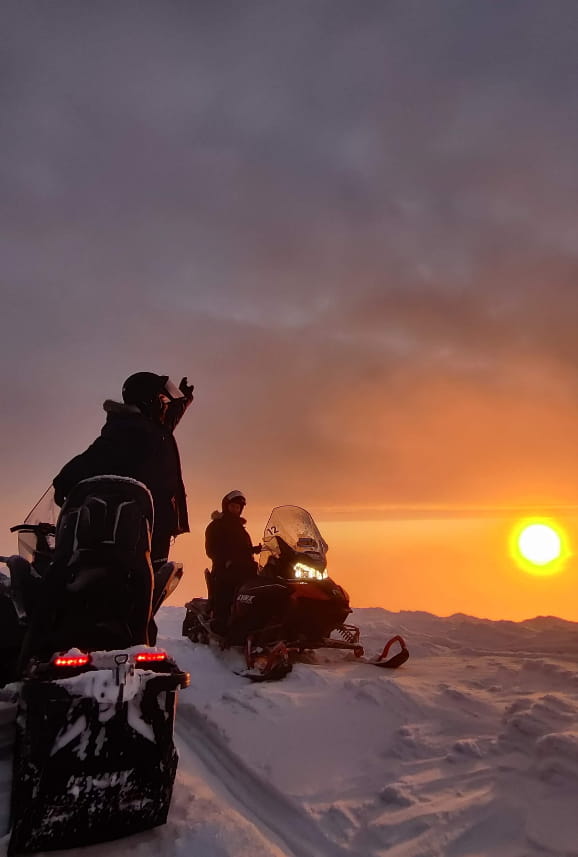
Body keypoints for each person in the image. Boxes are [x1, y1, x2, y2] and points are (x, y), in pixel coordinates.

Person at [53, 372, 194, 571]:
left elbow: (166, 424)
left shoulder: (151, 428)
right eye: (162, 399)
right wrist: (66, 481)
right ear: (149, 400)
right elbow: (97, 456)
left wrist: (182, 402)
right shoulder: (129, 429)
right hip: (138, 528)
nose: (165, 405)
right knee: (139, 586)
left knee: (150, 586)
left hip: (153, 525)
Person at [204, 490, 261, 635]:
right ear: (226, 506)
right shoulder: (216, 526)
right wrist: (227, 560)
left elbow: (242, 548)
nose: (235, 510)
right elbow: (212, 550)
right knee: (226, 589)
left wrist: (256, 549)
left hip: (245, 568)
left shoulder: (240, 528)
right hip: (225, 569)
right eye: (233, 506)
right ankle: (220, 623)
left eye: (238, 507)